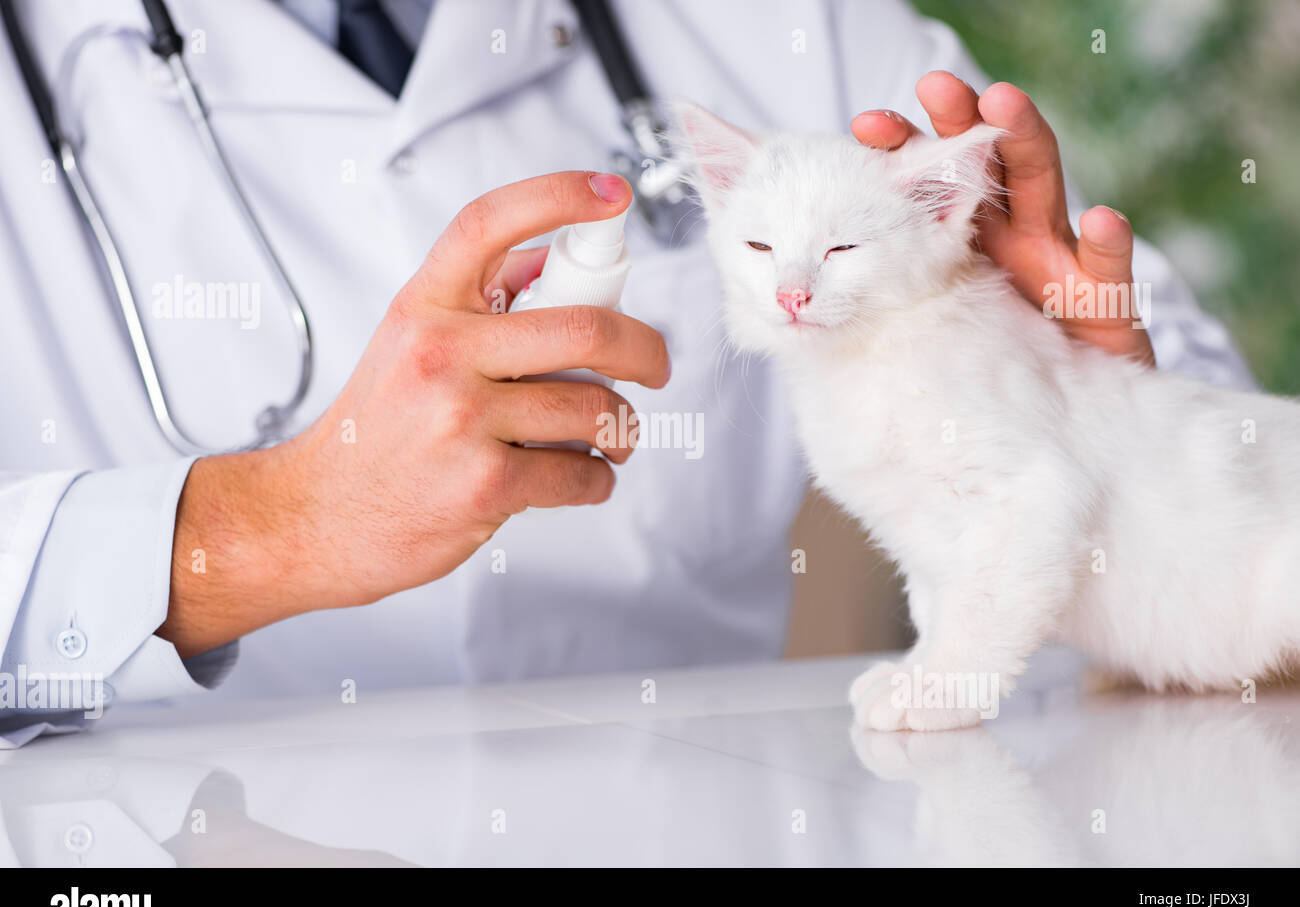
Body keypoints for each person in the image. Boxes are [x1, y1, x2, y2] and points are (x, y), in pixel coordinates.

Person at [0, 0, 1254, 748]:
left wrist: (1087, 412)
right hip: (156, 849)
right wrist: (248, 530)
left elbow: (1212, 439)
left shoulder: (793, 24)